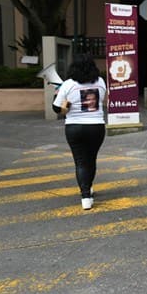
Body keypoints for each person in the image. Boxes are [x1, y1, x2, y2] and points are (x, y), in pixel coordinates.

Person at [52, 53, 106, 210]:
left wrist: (58, 95)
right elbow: (100, 100)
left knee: (81, 161)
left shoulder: (67, 84)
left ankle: (85, 196)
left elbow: (57, 109)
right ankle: (88, 188)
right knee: (91, 159)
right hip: (96, 126)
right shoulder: (101, 82)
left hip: (74, 127)